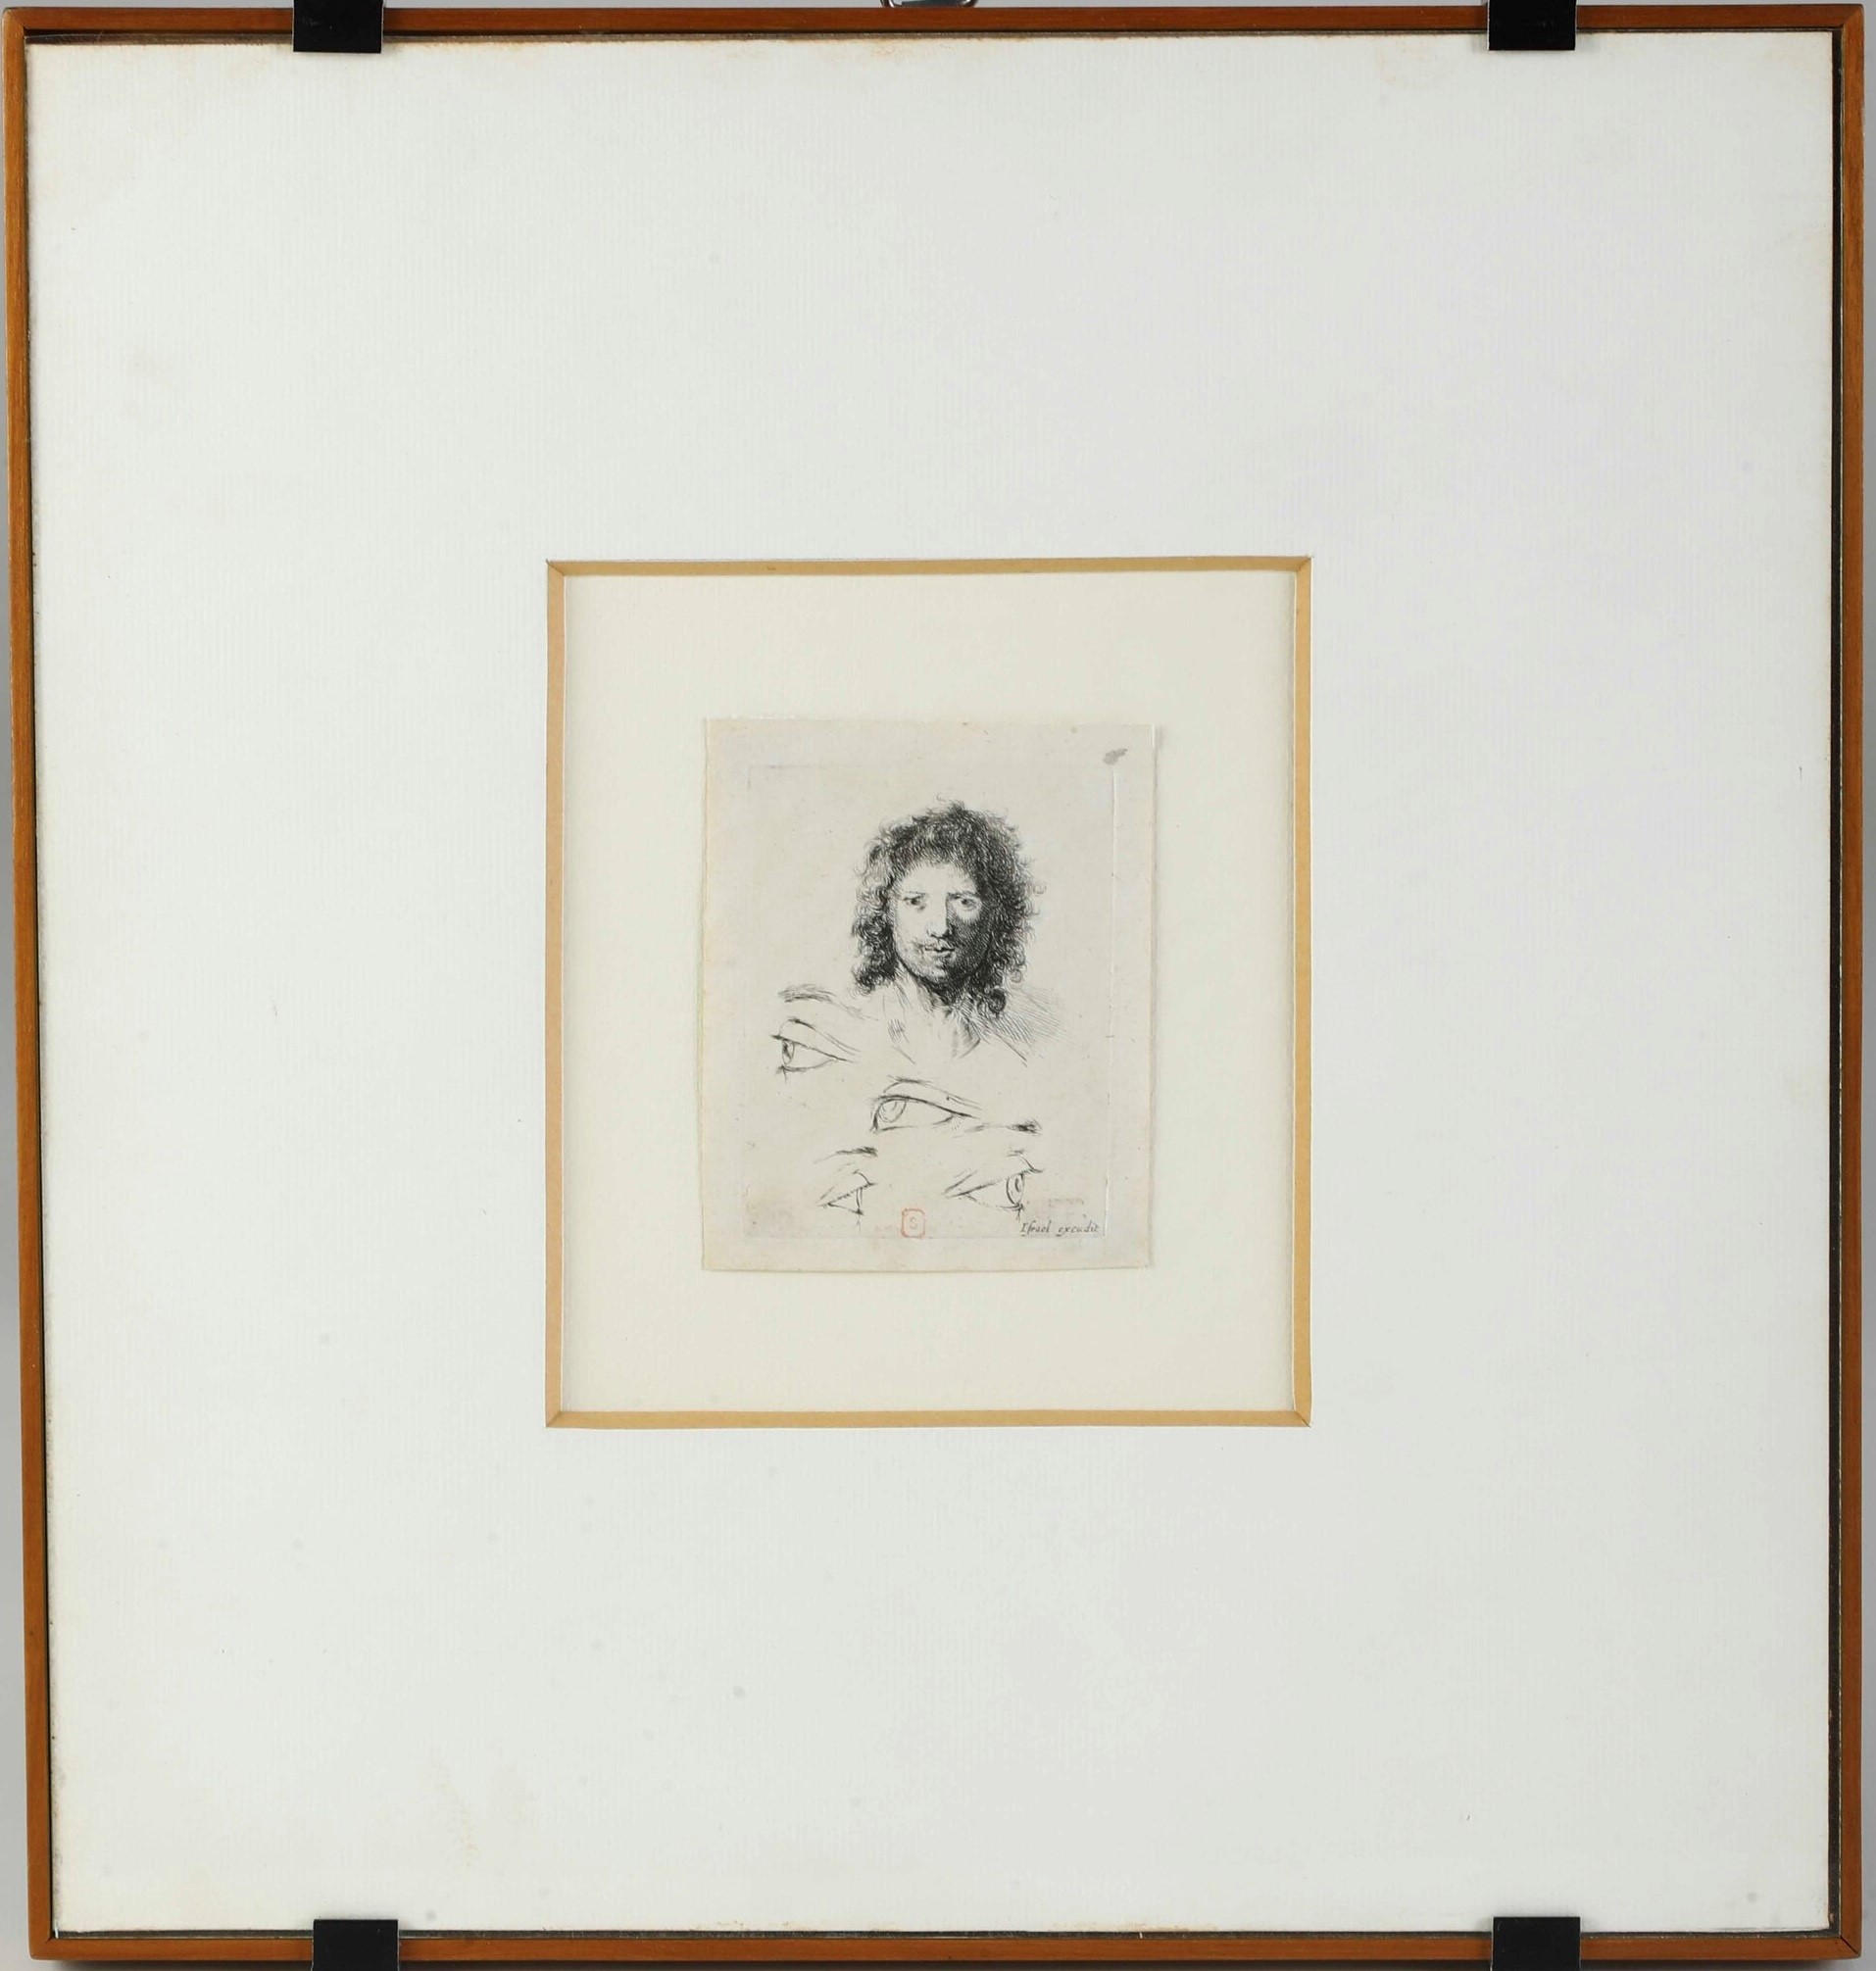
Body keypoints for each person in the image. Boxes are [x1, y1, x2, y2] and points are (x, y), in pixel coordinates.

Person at [769, 802, 1057, 1233]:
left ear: (996, 915)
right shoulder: (829, 1045)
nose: (940, 926)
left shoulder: (1016, 1064)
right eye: (916, 901)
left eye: (964, 901)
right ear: (885, 911)